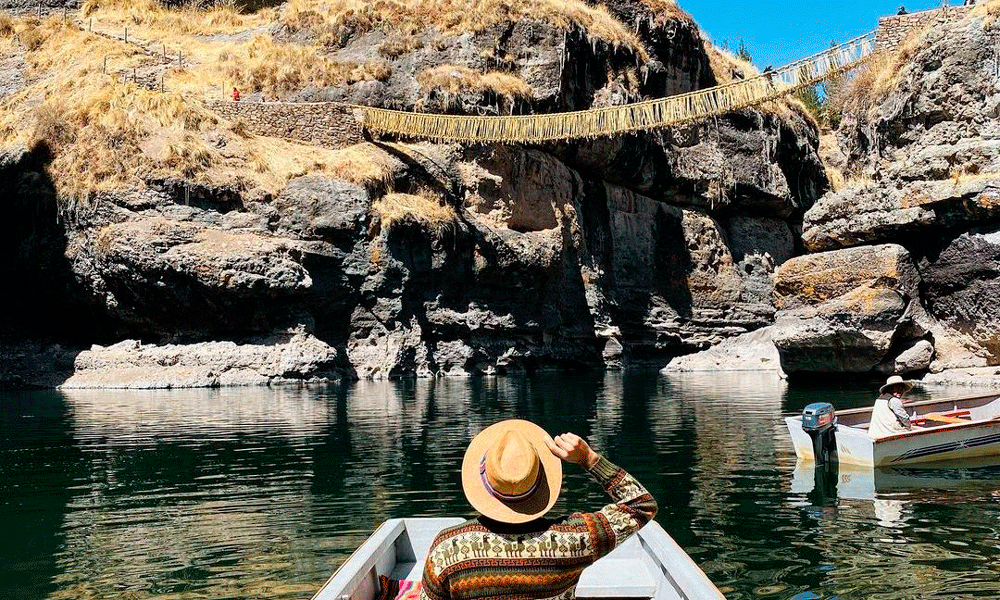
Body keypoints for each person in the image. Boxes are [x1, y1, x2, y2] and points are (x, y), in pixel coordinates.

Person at [418, 419, 657, 600]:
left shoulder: (447, 548)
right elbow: (641, 505)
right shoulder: (575, 538)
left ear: (483, 482)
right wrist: (589, 459)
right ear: (541, 482)